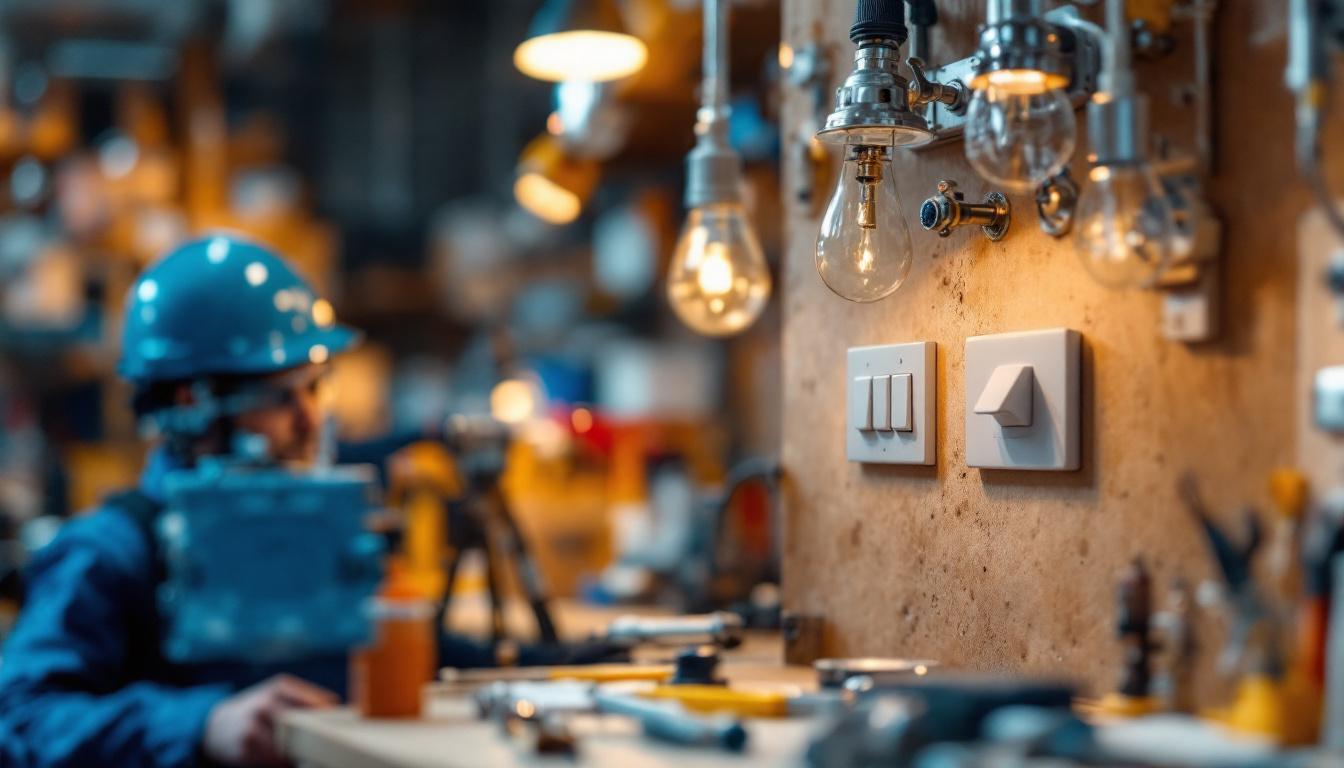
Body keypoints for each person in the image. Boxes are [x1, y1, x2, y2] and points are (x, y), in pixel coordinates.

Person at [0, 236, 359, 767]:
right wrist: (203, 724)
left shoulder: (312, 539)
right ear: (193, 402)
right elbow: (22, 717)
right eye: (283, 394)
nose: (311, 420)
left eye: (315, 389)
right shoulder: (111, 553)